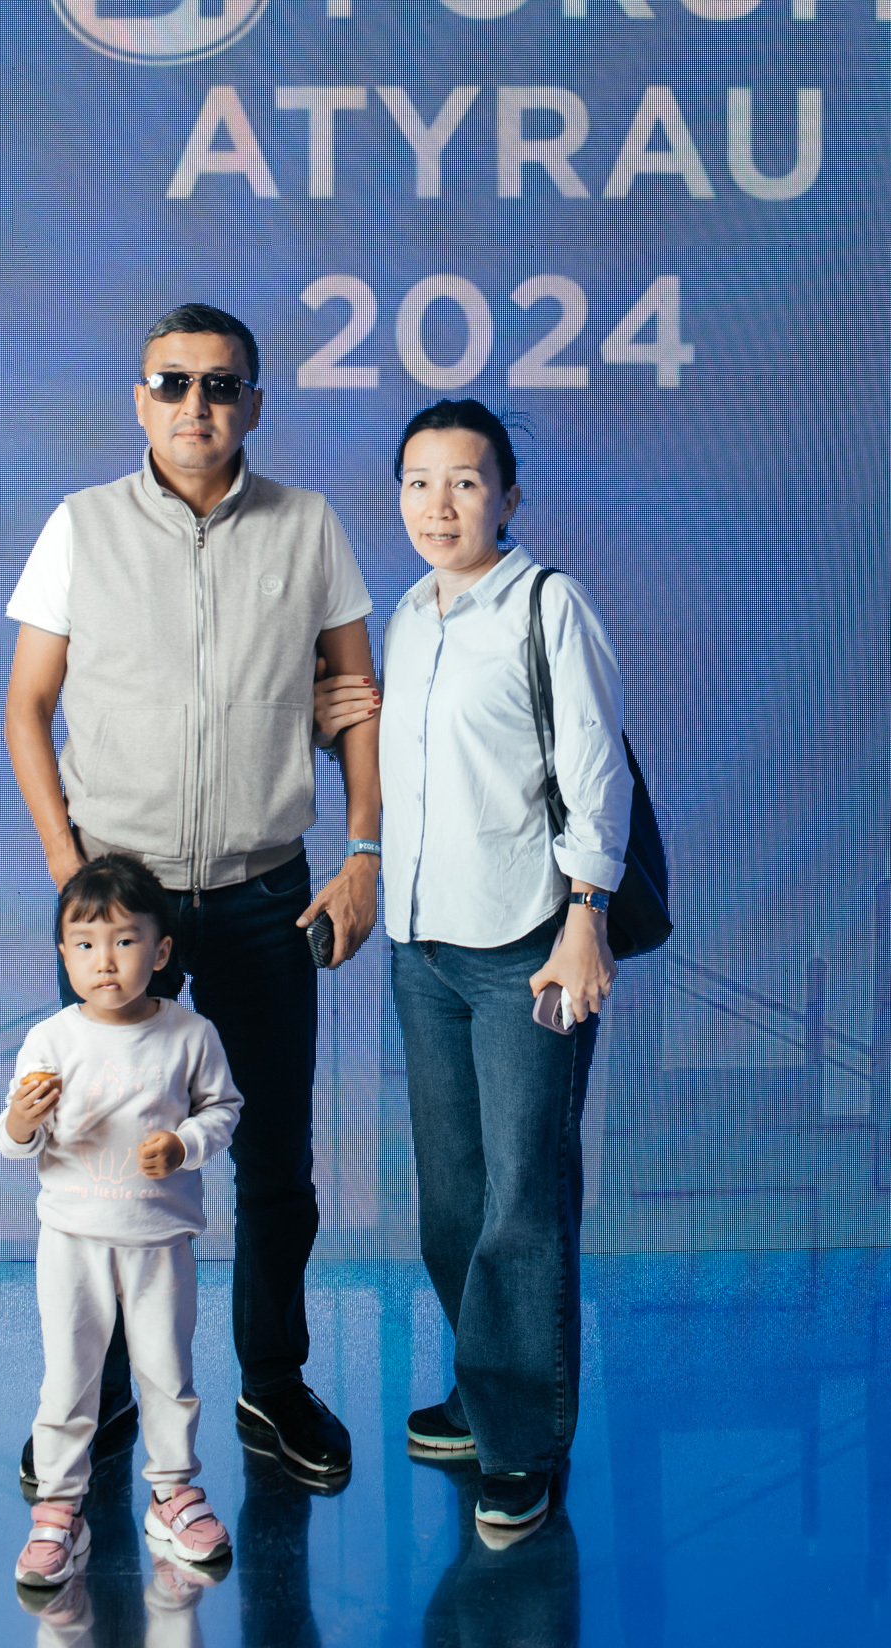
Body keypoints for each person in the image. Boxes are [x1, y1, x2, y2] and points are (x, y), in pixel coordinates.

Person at [4, 302, 380, 1485]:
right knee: (98, 1148)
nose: (195, 405)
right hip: (124, 901)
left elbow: (357, 706)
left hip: (268, 895)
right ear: (140, 399)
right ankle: (103, 1396)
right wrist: (72, 877)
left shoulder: (309, 527)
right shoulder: (80, 526)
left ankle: (272, 1384)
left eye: (221, 385)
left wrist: (363, 852)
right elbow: (27, 709)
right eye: (172, 383)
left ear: (255, 405)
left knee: (272, 1156)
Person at [316, 397, 634, 1531]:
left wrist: (585, 918)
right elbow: (418, 765)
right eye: (418, 482)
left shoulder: (547, 605)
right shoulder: (408, 615)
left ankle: (523, 1443)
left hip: (527, 952)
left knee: (522, 1202)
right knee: (451, 1204)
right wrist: (336, 727)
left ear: (508, 496)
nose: (438, 504)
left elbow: (595, 771)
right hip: (424, 950)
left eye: (463, 481)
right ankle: (484, 1388)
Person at [0, 854, 244, 1588]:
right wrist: (21, 1120)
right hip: (71, 1241)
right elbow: (12, 1140)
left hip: (159, 1240)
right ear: (64, 954)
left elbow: (223, 1110)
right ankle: (58, 1507)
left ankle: (173, 1495)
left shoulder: (189, 1035)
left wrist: (184, 1145)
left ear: (161, 952)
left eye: (124, 941)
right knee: (69, 1379)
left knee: (167, 1374)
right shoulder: (52, 1040)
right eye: (85, 944)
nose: (104, 960)